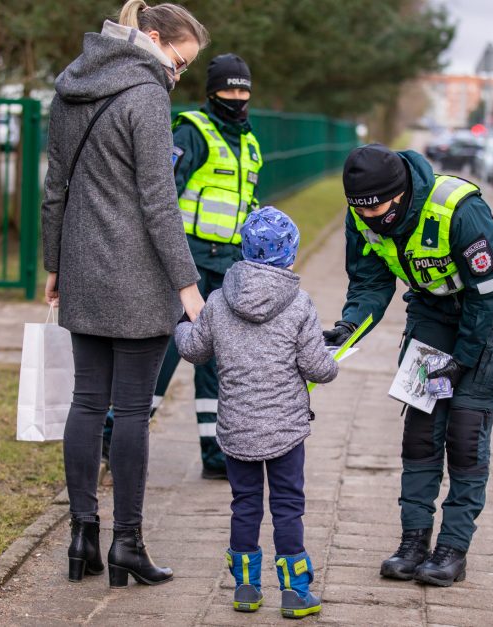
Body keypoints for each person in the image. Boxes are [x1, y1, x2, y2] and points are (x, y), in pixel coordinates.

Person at [40, 0, 208, 587]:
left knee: (87, 403)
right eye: (179, 61)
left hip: (83, 270)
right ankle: (127, 545)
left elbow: (55, 187)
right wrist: (189, 286)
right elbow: (160, 203)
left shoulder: (71, 85)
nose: (177, 74)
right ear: (154, 38)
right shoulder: (146, 96)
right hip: (138, 278)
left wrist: (54, 263)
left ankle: (81, 535)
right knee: (132, 410)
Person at [324, 144, 493, 587]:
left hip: (484, 321)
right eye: (363, 212)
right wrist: (348, 326)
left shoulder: (457, 210)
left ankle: (452, 550)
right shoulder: (362, 216)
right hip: (431, 315)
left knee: (465, 434)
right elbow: (371, 283)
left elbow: (488, 292)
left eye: (381, 209)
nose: (373, 220)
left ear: (402, 191)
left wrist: (462, 361)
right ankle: (414, 542)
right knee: (421, 432)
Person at [101, 53, 261, 479]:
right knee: (167, 353)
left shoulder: (250, 142)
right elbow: (161, 197)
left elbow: (247, 203)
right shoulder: (192, 132)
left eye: (244, 90)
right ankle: (114, 435)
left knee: (216, 362)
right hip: (187, 263)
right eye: (230, 89)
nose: (237, 97)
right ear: (212, 92)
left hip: (229, 266)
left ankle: (215, 454)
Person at [174, 207, 338, 617]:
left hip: (237, 427)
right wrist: (332, 360)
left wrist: (180, 327)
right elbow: (317, 367)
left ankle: (245, 587)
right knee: (287, 505)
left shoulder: (217, 300)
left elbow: (195, 350)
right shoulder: (300, 304)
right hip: (285, 429)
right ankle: (295, 590)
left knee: (244, 503)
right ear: (291, 254)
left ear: (244, 249)